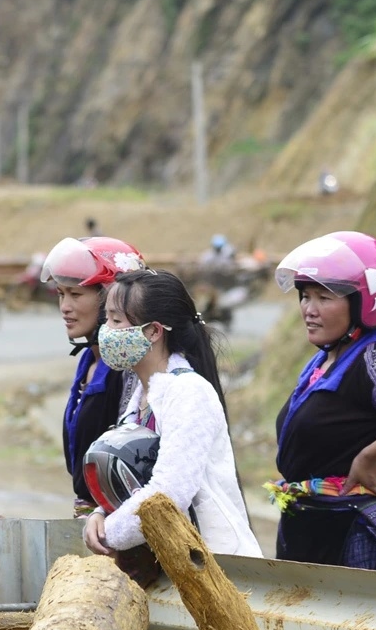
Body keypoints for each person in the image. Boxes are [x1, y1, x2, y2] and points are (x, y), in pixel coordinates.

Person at [270, 232, 376, 572]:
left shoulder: (373, 361)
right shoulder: (324, 362)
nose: (309, 309)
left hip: (360, 538)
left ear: (365, 303)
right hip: (312, 525)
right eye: (305, 296)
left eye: (324, 297)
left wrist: (369, 455)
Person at [79, 269, 260, 560]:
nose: (106, 332)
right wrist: (100, 513)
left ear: (153, 331)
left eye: (116, 321)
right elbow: (138, 473)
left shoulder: (188, 392)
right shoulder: (142, 391)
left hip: (211, 563)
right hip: (168, 560)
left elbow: (169, 494)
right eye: (106, 320)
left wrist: (109, 531)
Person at [40, 235, 146, 516]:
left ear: (114, 298)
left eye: (75, 294)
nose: (64, 306)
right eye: (61, 294)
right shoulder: (88, 358)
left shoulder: (129, 369)